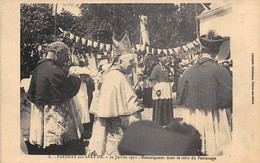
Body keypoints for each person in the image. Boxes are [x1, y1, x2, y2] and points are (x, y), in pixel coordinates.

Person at [176, 30, 232, 155]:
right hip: (214, 116)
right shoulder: (221, 70)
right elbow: (229, 96)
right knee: (215, 149)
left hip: (193, 116)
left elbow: (180, 96)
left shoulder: (187, 71)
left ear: (202, 50)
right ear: (217, 52)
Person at [87, 34, 143, 155]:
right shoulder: (117, 77)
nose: (133, 65)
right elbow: (130, 110)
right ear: (120, 61)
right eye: (131, 61)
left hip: (111, 123)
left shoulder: (112, 75)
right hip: (118, 126)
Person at [27, 41, 83, 154]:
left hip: (43, 109)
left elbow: (33, 92)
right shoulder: (54, 69)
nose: (67, 59)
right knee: (60, 143)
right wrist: (76, 78)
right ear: (58, 53)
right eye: (65, 55)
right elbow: (66, 89)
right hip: (55, 111)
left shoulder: (39, 66)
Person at [149, 53, 173, 126]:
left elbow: (170, 75)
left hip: (166, 87)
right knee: (160, 103)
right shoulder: (156, 68)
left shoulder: (167, 67)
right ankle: (159, 121)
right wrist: (157, 89)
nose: (165, 59)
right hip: (160, 87)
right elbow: (152, 79)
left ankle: (167, 120)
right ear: (159, 59)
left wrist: (171, 78)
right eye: (163, 58)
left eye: (165, 57)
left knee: (166, 102)